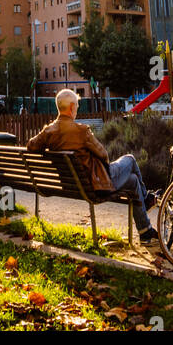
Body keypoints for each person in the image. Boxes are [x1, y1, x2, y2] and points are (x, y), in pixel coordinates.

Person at [26, 88, 157, 244]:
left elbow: (31, 146)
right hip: (94, 185)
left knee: (133, 180)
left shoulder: (49, 131)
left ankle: (145, 232)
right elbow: (104, 154)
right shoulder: (81, 131)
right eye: (77, 107)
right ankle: (147, 198)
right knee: (130, 159)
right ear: (72, 107)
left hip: (73, 185)